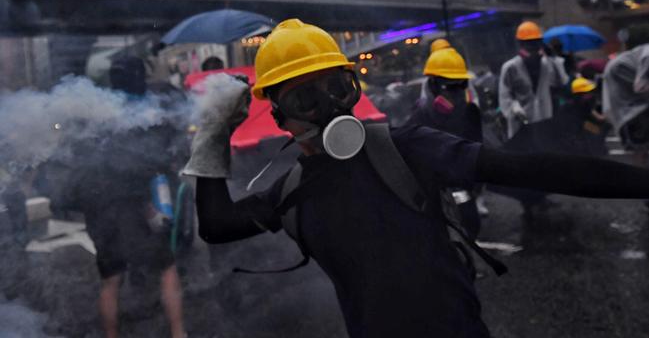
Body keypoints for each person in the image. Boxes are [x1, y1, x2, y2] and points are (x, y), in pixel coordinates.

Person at [193, 19, 649, 338]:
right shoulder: (292, 191)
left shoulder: (407, 148)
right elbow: (216, 225)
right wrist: (212, 132)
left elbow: (536, 168)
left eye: (338, 88)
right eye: (306, 98)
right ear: (279, 118)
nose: (331, 107)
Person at [57, 57, 185, 338]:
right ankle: (178, 333)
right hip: (134, 207)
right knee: (166, 267)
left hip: (98, 210)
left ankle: (111, 335)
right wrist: (149, 205)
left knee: (111, 280)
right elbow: (143, 164)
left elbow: (81, 166)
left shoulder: (96, 112)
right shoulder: (139, 112)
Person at [406, 47, 483, 237]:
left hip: (464, 190)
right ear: (433, 86)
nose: (456, 94)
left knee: (471, 229)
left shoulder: (471, 113)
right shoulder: (420, 117)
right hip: (435, 197)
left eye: (461, 85)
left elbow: (478, 149)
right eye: (449, 87)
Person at [499, 21, 569, 139]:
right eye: (528, 43)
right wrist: (514, 108)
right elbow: (505, 96)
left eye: (535, 42)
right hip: (521, 125)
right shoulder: (510, 67)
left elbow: (562, 81)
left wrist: (553, 57)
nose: (532, 47)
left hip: (544, 122)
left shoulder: (547, 64)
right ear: (520, 44)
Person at [603, 44, 649, 156]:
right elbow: (641, 87)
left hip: (632, 109)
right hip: (632, 112)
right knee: (640, 149)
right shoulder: (647, 56)